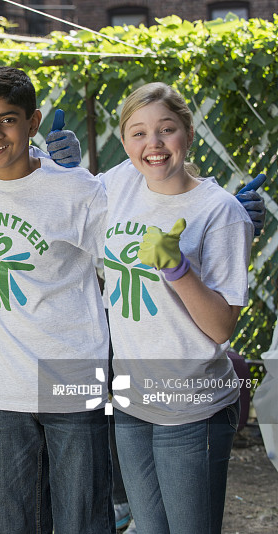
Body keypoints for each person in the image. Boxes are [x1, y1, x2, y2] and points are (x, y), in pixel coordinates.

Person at [0, 67, 114, 534]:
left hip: (71, 370)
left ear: (34, 123)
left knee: (81, 519)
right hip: (4, 383)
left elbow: (127, 258)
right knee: (16, 522)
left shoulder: (74, 188)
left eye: (8, 121)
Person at [102, 82, 252, 534]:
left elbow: (222, 326)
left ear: (188, 132)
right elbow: (55, 200)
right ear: (124, 140)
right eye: (139, 133)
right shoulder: (117, 184)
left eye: (166, 130)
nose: (153, 144)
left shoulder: (219, 211)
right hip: (131, 400)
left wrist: (179, 270)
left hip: (192, 404)